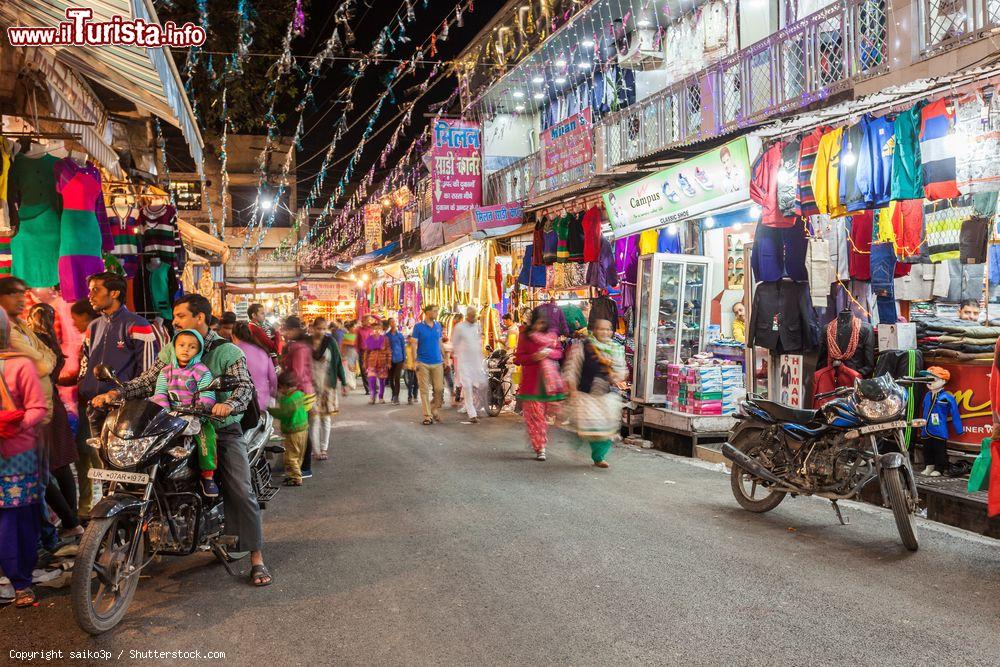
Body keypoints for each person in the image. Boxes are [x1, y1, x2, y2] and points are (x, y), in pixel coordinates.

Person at [91, 294, 272, 587]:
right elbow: (148, 380)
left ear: (200, 317)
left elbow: (244, 388)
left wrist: (228, 405)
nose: (174, 321)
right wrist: (118, 393)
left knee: (240, 488)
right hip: (175, 425)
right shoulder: (172, 348)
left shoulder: (227, 352)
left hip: (219, 427)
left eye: (180, 316)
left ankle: (256, 557)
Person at [78, 272, 159, 519]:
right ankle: (106, 526)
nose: (90, 295)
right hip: (94, 408)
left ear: (114, 293)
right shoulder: (93, 326)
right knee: (103, 470)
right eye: (90, 289)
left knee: (127, 471)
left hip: (125, 413)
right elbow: (84, 363)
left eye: (96, 290)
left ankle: (135, 523)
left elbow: (148, 375)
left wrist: (120, 396)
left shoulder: (138, 326)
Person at [0, 309, 49, 608]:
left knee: (16, 519)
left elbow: (37, 409)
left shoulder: (20, 365)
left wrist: (12, 423)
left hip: (16, 454)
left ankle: (20, 581)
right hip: (18, 450)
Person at [28, 303, 82, 537]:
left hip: (42, 409)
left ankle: (70, 521)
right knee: (61, 467)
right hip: (54, 407)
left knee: (41, 470)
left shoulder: (34, 342)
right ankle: (73, 521)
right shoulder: (52, 343)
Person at [150, 330, 219, 497]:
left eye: (192, 346)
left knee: (206, 441)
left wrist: (202, 407)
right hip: (170, 418)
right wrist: (164, 412)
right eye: (181, 345)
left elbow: (208, 394)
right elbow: (160, 394)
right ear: (174, 346)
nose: (186, 349)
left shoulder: (202, 371)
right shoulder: (166, 371)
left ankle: (208, 476)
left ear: (198, 350)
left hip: (197, 417)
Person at [562, 318, 627, 469]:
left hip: (605, 395)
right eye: (601, 329)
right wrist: (571, 389)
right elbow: (573, 368)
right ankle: (577, 446)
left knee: (606, 428)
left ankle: (599, 457)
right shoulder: (582, 347)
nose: (605, 332)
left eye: (608, 329)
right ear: (594, 331)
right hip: (585, 394)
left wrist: (615, 376)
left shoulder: (616, 348)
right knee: (586, 426)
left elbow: (621, 371)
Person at [514, 307, 566, 461]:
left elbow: (559, 352)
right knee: (535, 417)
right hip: (531, 384)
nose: (538, 326)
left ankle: (537, 439)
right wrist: (533, 357)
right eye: (536, 323)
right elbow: (518, 358)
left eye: (542, 323)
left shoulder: (552, 336)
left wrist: (549, 353)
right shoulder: (525, 336)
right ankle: (540, 447)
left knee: (543, 418)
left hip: (549, 384)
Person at [281, 316, 316, 478]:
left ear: (294, 330)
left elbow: (298, 373)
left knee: (301, 430)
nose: (285, 333)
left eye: (286, 329)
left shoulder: (299, 348)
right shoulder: (298, 346)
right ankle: (299, 463)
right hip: (302, 391)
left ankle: (305, 466)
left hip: (301, 393)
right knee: (301, 429)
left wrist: (286, 386)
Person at [309, 317, 347, 460]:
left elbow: (337, 363)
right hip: (311, 387)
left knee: (325, 418)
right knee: (314, 419)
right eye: (319, 328)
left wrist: (343, 382)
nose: (321, 331)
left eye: (324, 328)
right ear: (313, 328)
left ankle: (323, 448)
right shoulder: (307, 343)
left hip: (327, 386)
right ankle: (315, 450)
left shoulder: (330, 342)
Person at [269, 371, 309, 487]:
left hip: (293, 432)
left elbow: (283, 413)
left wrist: (270, 410)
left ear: (285, 387)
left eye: (280, 388)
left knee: (290, 456)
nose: (279, 391)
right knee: (298, 454)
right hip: (303, 430)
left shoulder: (288, 400)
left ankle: (295, 478)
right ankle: (295, 474)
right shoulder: (298, 394)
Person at [233, 323, 278, 414]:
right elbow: (273, 378)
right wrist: (272, 397)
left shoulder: (234, 352)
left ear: (233, 336)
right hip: (262, 402)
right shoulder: (262, 351)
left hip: (242, 404)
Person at [452, 306, 487, 423]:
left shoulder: (477, 326)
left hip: (476, 362)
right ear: (468, 315)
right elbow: (455, 343)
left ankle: (471, 406)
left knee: (478, 385)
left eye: (474, 316)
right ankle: (472, 414)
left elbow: (478, 341)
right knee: (467, 386)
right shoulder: (460, 327)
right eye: (472, 316)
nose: (473, 318)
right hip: (464, 362)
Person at [410, 305, 444, 425]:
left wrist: (445, 358)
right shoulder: (418, 327)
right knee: (424, 390)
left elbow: (440, 343)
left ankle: (434, 408)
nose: (436, 313)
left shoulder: (438, 326)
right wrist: (414, 361)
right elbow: (413, 345)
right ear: (427, 313)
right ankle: (427, 416)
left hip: (437, 362)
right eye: (434, 311)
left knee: (439, 389)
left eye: (437, 311)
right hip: (422, 362)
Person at [364, 321, 391, 404]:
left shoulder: (385, 339)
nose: (377, 330)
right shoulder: (369, 339)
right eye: (375, 329)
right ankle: (372, 397)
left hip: (382, 362)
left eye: (379, 328)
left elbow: (388, 351)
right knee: (372, 380)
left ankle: (381, 397)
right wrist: (365, 363)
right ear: (372, 329)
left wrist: (389, 362)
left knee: (382, 381)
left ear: (381, 329)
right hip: (372, 362)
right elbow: (366, 352)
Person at [385, 318, 407, 405]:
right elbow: (385, 348)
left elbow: (403, 347)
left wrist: (404, 360)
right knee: (391, 379)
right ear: (389, 324)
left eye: (394, 321)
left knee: (397, 378)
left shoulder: (400, 335)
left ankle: (396, 396)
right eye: (391, 322)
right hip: (390, 359)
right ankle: (394, 393)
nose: (393, 323)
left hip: (399, 358)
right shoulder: (387, 336)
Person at [356, 316, 375, 396]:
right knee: (364, 371)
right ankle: (367, 389)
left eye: (369, 320)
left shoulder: (371, 330)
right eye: (366, 320)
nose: (368, 322)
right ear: (363, 321)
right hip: (362, 352)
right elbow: (356, 342)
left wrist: (372, 315)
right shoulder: (358, 330)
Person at [340, 321, 359, 391]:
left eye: (355, 327)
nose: (355, 328)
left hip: (354, 354)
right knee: (349, 369)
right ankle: (350, 383)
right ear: (350, 328)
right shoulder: (348, 335)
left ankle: (352, 383)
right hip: (349, 353)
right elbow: (343, 346)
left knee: (353, 369)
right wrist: (342, 354)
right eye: (354, 327)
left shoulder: (356, 335)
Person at [403, 325, 419, 405]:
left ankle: (415, 396)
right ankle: (409, 397)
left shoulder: (417, 347)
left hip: (416, 367)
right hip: (409, 367)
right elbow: (405, 356)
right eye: (409, 338)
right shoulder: (406, 347)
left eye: (411, 338)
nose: (410, 340)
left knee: (416, 382)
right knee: (410, 382)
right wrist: (405, 363)